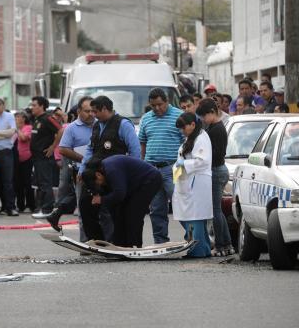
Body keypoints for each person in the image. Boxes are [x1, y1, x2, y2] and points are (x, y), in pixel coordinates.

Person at [78, 95, 141, 242]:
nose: (93, 115)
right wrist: (82, 169)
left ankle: (113, 241)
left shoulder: (123, 124)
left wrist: (131, 177)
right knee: (85, 205)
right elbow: (90, 149)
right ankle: (96, 240)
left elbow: (135, 151)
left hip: (114, 176)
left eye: (95, 111)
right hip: (93, 175)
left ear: (105, 109)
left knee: (110, 210)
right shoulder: (97, 125)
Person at [82, 156, 162, 248]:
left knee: (133, 212)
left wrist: (101, 199)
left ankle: (134, 245)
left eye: (97, 184)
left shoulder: (112, 170)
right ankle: (121, 244)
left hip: (150, 179)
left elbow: (119, 194)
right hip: (133, 184)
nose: (100, 186)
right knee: (118, 212)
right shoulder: (100, 171)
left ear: (98, 175)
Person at [139, 88, 185, 244]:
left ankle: (193, 236)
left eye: (160, 104)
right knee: (156, 208)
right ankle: (160, 241)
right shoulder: (146, 119)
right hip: (152, 169)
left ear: (166, 101)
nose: (157, 108)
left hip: (174, 167)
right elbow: (143, 144)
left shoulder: (179, 116)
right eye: (153, 106)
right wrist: (143, 164)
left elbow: (186, 143)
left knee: (181, 204)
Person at [46, 96, 96, 239]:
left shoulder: (100, 124)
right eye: (87, 111)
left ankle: (102, 242)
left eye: (93, 111)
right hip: (81, 172)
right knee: (83, 209)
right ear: (79, 111)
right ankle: (85, 243)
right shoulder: (71, 128)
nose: (91, 114)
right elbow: (63, 149)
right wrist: (85, 159)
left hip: (101, 173)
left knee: (101, 210)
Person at [172, 112, 213, 258]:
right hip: (187, 181)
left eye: (184, 127)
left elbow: (202, 161)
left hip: (197, 183)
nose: (182, 131)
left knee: (195, 218)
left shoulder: (201, 138)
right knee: (190, 217)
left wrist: (184, 164)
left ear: (193, 125)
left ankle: (198, 250)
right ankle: (204, 248)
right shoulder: (191, 137)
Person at [197, 99, 234, 256]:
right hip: (219, 170)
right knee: (217, 210)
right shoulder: (212, 127)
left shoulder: (217, 129)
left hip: (217, 171)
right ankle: (227, 244)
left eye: (205, 116)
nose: (203, 120)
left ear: (212, 112)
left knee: (215, 211)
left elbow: (216, 154)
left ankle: (221, 245)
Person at [29, 96, 63, 219]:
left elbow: (61, 130)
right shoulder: (37, 119)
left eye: (34, 105)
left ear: (42, 106)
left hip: (44, 157)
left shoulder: (48, 118)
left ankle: (47, 209)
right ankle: (43, 208)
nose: (32, 107)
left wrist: (53, 146)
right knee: (41, 184)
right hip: (37, 157)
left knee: (46, 183)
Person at [14, 111, 35, 213]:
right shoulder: (14, 129)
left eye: (19, 116)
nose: (17, 118)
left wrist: (18, 129)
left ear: (24, 118)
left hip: (27, 158)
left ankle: (30, 205)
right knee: (18, 183)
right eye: (16, 116)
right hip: (16, 159)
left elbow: (23, 138)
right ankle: (20, 205)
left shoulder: (28, 128)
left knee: (27, 183)